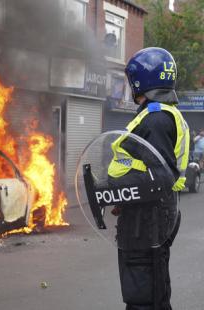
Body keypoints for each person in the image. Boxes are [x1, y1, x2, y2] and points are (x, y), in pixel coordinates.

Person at [108, 47, 190, 310]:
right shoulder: (160, 114)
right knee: (150, 289)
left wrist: (117, 189)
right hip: (148, 215)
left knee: (143, 294)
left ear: (140, 81)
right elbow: (150, 169)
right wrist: (122, 197)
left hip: (147, 220)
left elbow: (159, 178)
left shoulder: (155, 119)